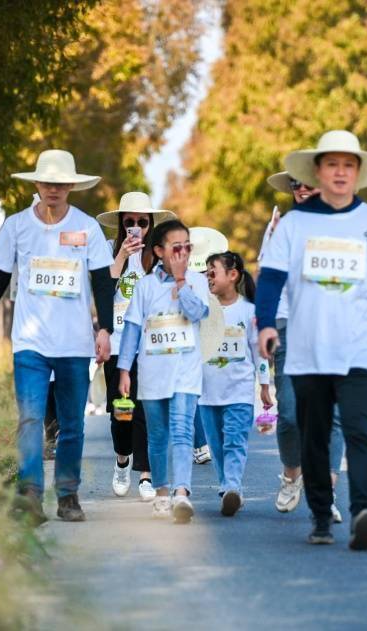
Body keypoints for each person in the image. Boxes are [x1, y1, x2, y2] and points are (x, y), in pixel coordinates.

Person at [256, 130, 367, 550]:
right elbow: (270, 278)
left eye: (348, 165)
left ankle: (364, 511)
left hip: (361, 350)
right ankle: (322, 517)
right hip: (308, 351)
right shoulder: (294, 225)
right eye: (332, 165)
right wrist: (266, 325)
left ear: (358, 173)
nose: (340, 172)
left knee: (359, 431)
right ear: (318, 172)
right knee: (314, 433)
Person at [0, 149, 115, 525]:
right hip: (31, 343)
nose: (53, 189)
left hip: (73, 344)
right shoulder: (18, 226)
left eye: (60, 184)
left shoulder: (87, 228)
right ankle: (30, 497)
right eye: (47, 182)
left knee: (72, 425)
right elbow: (0, 275)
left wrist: (105, 330)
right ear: (37, 184)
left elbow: (102, 280)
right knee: (31, 421)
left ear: (70, 187)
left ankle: (68, 496)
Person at [263, 173, 345, 523]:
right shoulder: (281, 229)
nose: (303, 189)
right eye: (296, 185)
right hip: (288, 327)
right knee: (291, 414)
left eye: (309, 183)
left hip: (332, 327)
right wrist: (265, 325)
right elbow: (267, 278)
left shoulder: (343, 226)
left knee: (333, 416)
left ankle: (325, 496)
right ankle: (292, 474)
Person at [117, 219, 210, 523]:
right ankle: (161, 493)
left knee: (183, 432)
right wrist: (124, 370)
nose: (182, 253)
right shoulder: (145, 286)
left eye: (187, 247)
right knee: (157, 436)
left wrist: (182, 282)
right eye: (175, 248)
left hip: (186, 371)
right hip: (153, 371)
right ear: (158, 251)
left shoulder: (197, 280)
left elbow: (197, 313)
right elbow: (131, 329)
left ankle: (182, 493)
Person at [96, 192, 176, 501]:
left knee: (147, 409)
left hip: (151, 345)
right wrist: (121, 257)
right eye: (129, 222)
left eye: (142, 222)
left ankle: (145, 472)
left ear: (151, 225)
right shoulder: (106, 251)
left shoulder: (158, 256)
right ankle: (122, 459)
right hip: (117, 343)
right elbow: (101, 288)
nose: (136, 228)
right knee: (121, 411)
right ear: (120, 224)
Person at [199, 251, 273, 516]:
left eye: (212, 272)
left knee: (234, 442)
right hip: (206, 394)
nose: (208, 277)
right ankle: (228, 488)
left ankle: (232, 486)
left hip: (239, 391)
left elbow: (259, 351)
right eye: (205, 272)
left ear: (233, 275)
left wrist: (264, 385)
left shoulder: (249, 311)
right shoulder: (202, 309)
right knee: (216, 446)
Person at [188, 227, 229, 466]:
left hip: (201, 329)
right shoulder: (213, 273)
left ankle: (202, 443)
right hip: (208, 329)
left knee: (198, 388)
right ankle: (206, 442)